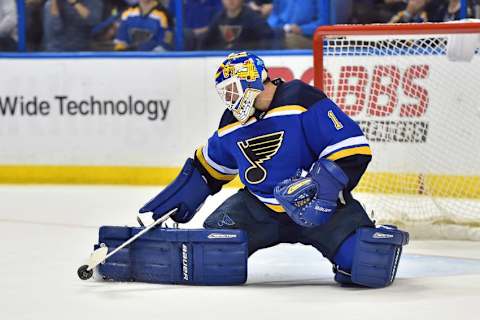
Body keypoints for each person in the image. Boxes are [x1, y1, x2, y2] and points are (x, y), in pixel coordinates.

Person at [138, 52, 409, 288]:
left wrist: (320, 190)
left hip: (318, 208)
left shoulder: (300, 98)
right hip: (259, 208)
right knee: (213, 254)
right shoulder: (231, 123)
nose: (231, 100)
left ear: (253, 80)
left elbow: (351, 148)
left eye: (233, 90)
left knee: (365, 265)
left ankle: (364, 233)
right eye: (226, 94)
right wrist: (178, 198)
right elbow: (208, 168)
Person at [201, 0, 274, 50]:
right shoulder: (219, 18)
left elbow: (268, 38)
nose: (230, 1)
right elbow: (205, 42)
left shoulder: (253, 18)